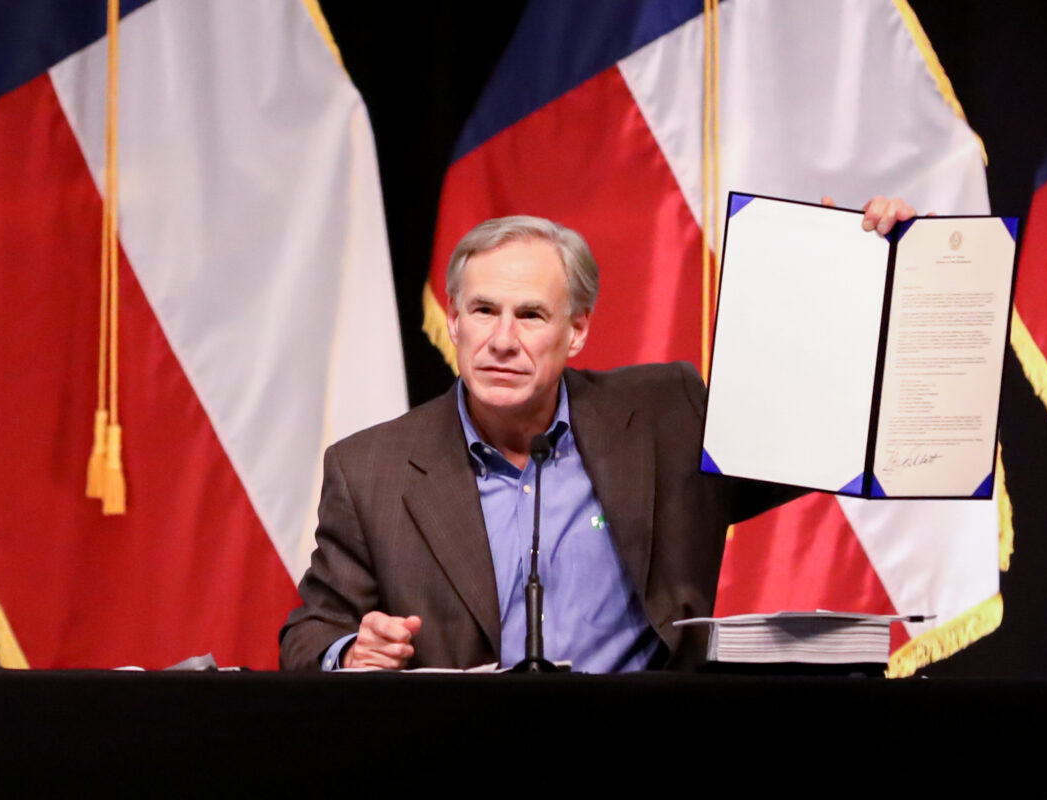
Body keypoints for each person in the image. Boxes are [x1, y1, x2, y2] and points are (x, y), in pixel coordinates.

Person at [279, 197, 916, 672]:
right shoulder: (372, 468)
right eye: (483, 311)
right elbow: (307, 635)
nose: (503, 340)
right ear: (454, 321)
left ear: (576, 331)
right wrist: (350, 651)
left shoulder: (665, 414)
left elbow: (820, 431)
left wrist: (861, 272)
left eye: (530, 315)